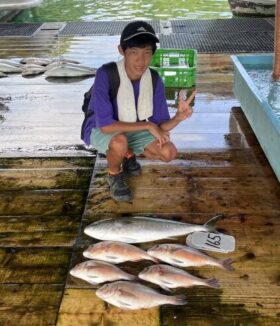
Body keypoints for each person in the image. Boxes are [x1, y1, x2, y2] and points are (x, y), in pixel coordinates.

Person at [81, 20, 196, 202]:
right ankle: (114, 174)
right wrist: (149, 126)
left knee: (168, 152)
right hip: (102, 128)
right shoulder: (106, 74)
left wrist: (178, 117)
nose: (141, 60)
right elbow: (105, 126)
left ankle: (129, 154)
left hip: (137, 128)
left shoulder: (154, 78)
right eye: (134, 52)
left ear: (152, 55)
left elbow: (161, 126)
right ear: (121, 50)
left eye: (147, 53)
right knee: (119, 142)